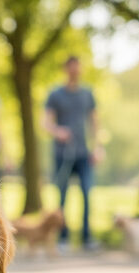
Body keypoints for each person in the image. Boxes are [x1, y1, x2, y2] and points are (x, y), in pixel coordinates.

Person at [43, 56, 104, 250]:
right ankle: (63, 237)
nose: (74, 72)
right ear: (66, 70)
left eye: (77, 68)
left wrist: (98, 147)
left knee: (86, 192)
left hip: (83, 153)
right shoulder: (55, 94)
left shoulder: (87, 94)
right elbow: (46, 123)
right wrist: (58, 131)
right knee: (62, 196)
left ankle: (87, 237)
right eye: (71, 68)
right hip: (63, 154)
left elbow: (94, 123)